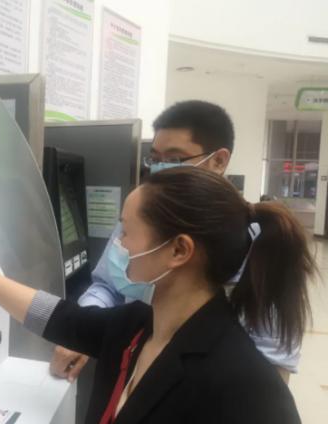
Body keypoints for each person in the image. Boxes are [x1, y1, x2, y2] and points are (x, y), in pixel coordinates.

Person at [0, 167, 313, 423]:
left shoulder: (245, 384)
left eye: (126, 231)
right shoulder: (137, 327)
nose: (117, 244)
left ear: (179, 250)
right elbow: (58, 317)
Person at [51, 100, 297, 384]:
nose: (161, 169)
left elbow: (273, 371)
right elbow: (107, 286)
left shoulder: (255, 244)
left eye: (175, 159)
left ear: (218, 161)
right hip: (132, 373)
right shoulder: (137, 217)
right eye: (155, 158)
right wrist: (85, 325)